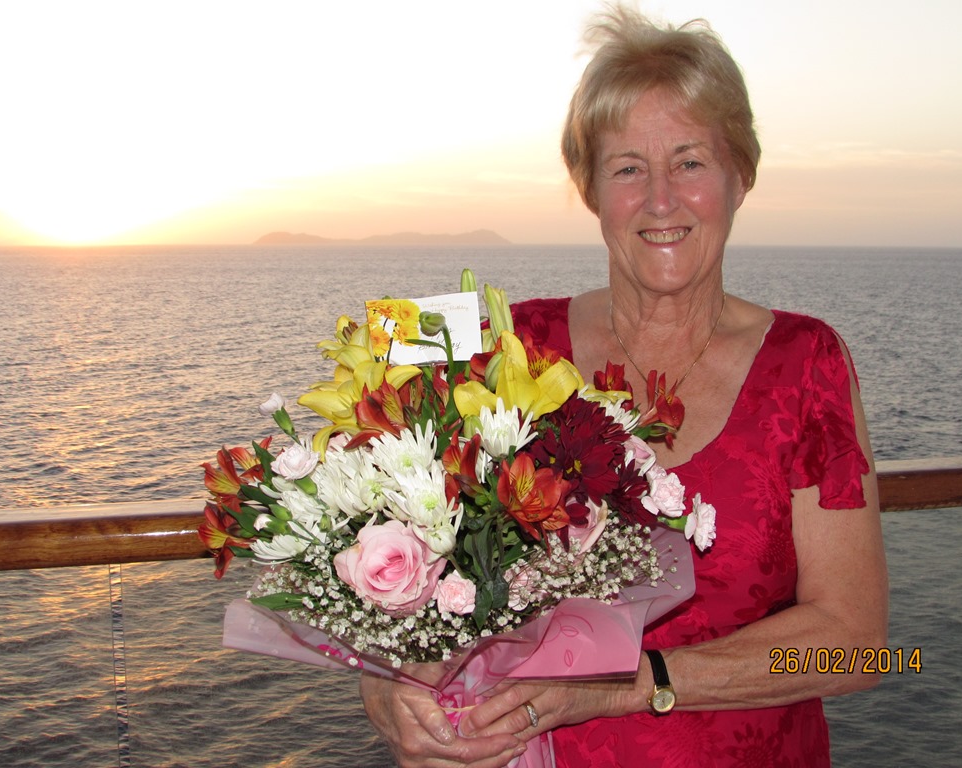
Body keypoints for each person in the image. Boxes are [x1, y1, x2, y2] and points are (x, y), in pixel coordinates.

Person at [360, 6, 888, 766]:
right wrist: (389, 694)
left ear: (741, 176)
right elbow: (365, 352)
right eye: (628, 168)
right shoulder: (499, 342)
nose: (660, 199)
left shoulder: (809, 362)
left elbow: (860, 645)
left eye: (691, 162)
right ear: (590, 189)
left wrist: (633, 683)